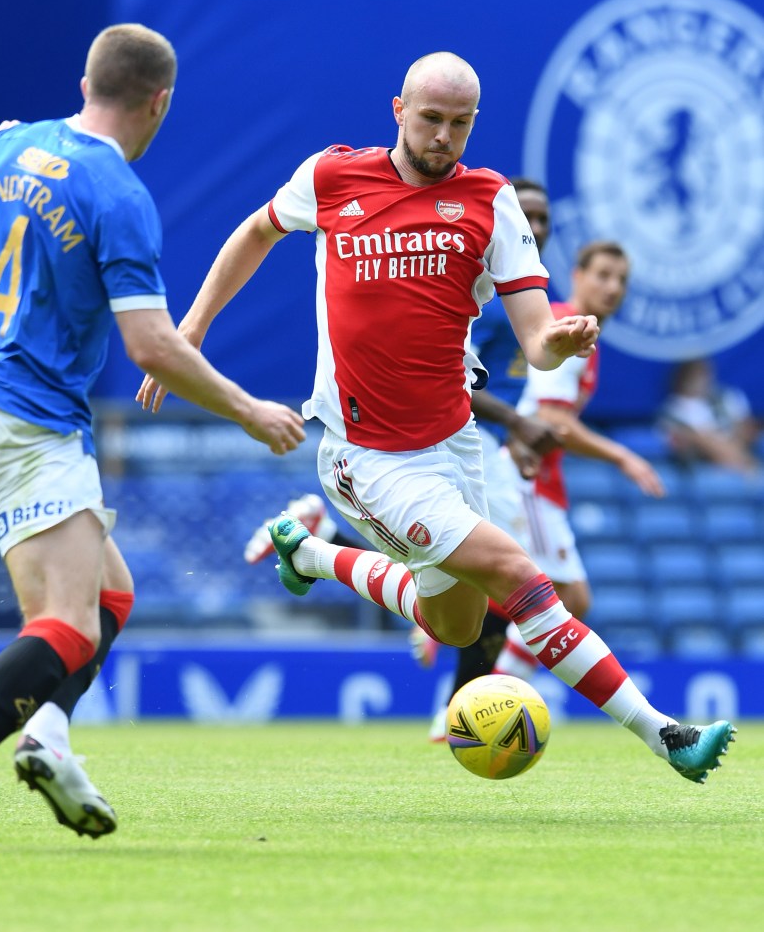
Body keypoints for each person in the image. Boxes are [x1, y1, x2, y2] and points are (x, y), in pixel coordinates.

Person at [139, 52, 735, 784]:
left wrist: (560, 337)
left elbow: (534, 340)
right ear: (398, 110)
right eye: (430, 119)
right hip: (367, 455)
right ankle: (667, 733)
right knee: (522, 575)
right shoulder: (332, 177)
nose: (443, 136)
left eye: (460, 123)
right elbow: (256, 232)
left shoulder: (490, 200)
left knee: (457, 623)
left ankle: (312, 555)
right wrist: (191, 330)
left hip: (453, 446)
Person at [0, 23, 306, 854]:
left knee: (109, 596)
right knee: (68, 625)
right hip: (25, 421)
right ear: (161, 102)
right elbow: (151, 345)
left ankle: (49, 739)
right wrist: (250, 409)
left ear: (84, 81)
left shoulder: (15, 147)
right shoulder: (119, 194)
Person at [242, 178, 563, 741]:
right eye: (528, 214)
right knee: (512, 580)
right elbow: (455, 369)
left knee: (483, 595)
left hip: (488, 446)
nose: (534, 226)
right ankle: (464, 707)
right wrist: (513, 425)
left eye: (544, 219)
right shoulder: (484, 278)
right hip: (463, 437)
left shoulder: (535, 293)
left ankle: (326, 549)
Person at [491, 241, 666, 680]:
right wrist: (622, 455)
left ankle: (493, 693)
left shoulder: (578, 334)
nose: (613, 287)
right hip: (524, 473)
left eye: (622, 280)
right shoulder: (569, 330)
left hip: (537, 474)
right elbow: (552, 419)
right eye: (603, 275)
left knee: (551, 596)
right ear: (578, 275)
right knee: (568, 594)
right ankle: (497, 695)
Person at [658, 357, 760, 474]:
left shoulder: (726, 397)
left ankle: (740, 463)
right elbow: (679, 437)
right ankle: (744, 465)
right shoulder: (672, 409)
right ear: (683, 378)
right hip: (702, 456)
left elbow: (746, 426)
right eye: (694, 375)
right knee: (701, 437)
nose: (700, 380)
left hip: (736, 444)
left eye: (704, 373)